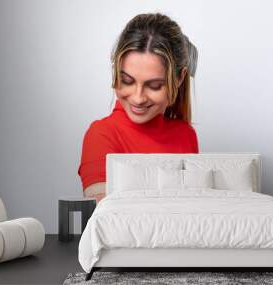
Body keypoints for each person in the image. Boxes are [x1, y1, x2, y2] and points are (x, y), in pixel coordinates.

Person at [78, 13, 200, 203]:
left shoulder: (186, 135)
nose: (138, 97)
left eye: (154, 86)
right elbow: (104, 215)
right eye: (127, 81)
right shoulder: (101, 135)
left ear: (179, 78)